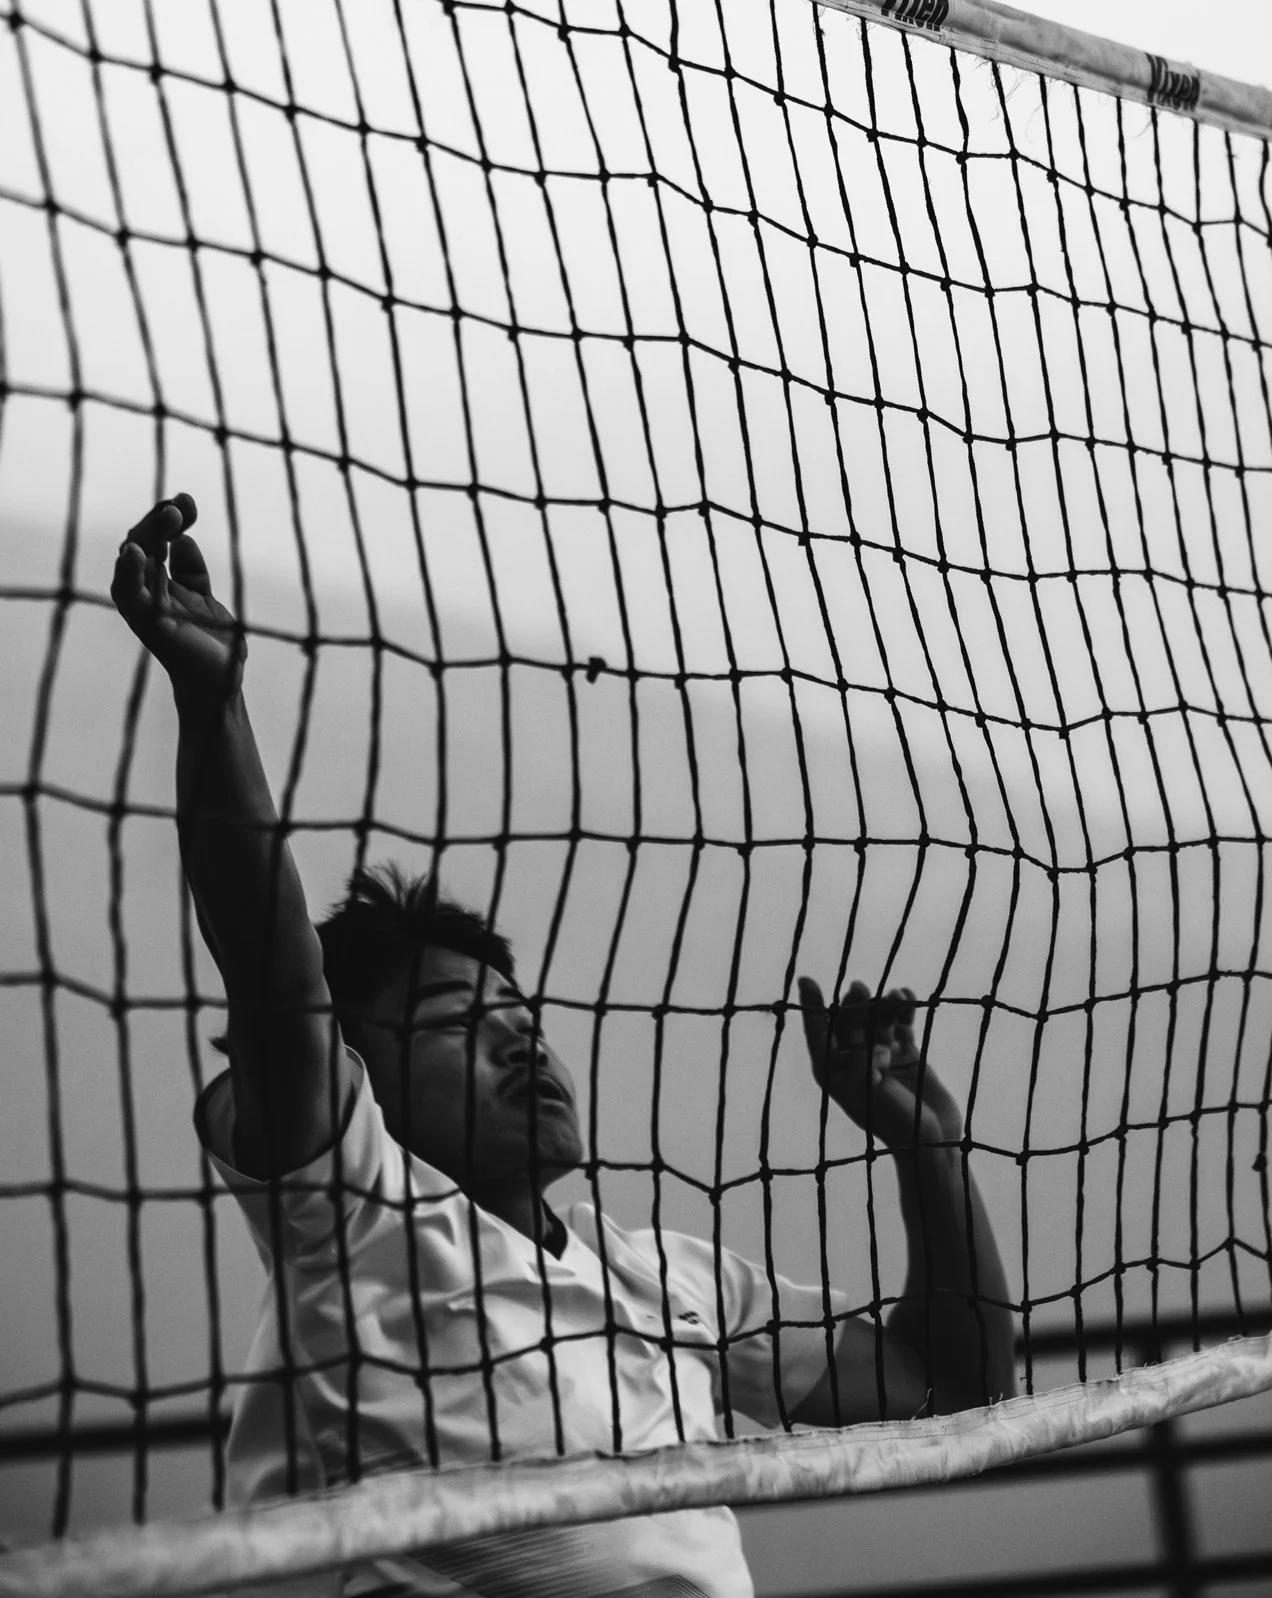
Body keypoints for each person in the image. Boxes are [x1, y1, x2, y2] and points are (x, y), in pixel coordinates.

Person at [112, 493, 1016, 1598]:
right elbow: (273, 978)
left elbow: (945, 1388)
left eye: (523, 1026)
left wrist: (932, 1151)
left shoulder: (665, 1278)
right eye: (459, 1026)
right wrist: (213, 703)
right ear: (360, 1082)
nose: (523, 1052)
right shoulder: (353, 1218)